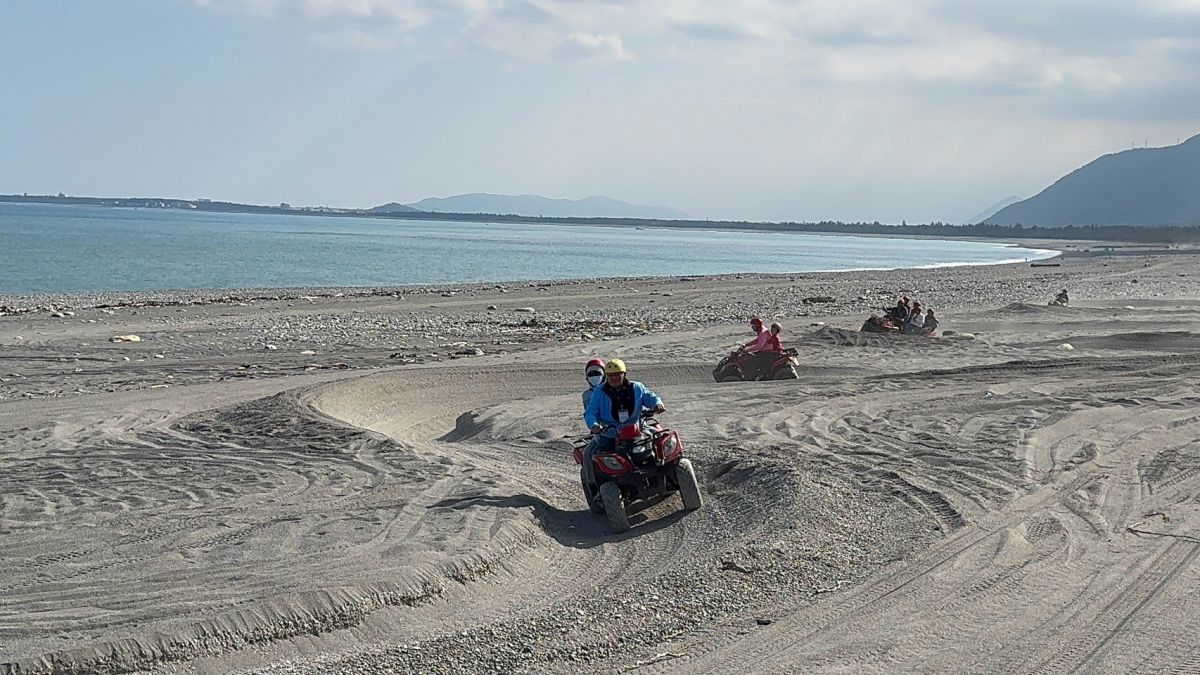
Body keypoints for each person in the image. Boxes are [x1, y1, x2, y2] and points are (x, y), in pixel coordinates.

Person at [583, 359, 665, 485]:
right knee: (597, 456)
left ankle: (668, 470)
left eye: (618, 375)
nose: (614, 378)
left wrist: (657, 404)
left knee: (662, 440)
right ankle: (599, 488)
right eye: (611, 376)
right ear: (606, 376)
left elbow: (649, 396)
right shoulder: (599, 392)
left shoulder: (636, 387)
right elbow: (591, 411)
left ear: (624, 374)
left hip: (637, 428)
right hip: (610, 433)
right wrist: (593, 425)